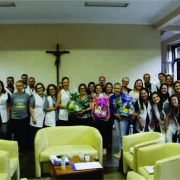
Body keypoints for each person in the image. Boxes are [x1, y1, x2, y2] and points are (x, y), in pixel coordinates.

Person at [7, 80, 30, 151]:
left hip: (24, 118)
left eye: (20, 86)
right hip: (15, 118)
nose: (18, 87)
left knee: (23, 134)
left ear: (23, 86)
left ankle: (23, 148)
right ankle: (16, 148)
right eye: (17, 86)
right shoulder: (13, 96)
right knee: (16, 134)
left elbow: (28, 106)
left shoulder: (27, 96)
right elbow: (10, 106)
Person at [109, 83, 129, 158]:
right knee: (118, 135)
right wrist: (115, 114)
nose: (117, 90)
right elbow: (110, 108)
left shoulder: (124, 96)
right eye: (115, 88)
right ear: (113, 89)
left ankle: (123, 151)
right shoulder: (111, 97)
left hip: (123, 118)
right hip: (115, 117)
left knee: (122, 135)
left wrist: (122, 114)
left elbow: (128, 106)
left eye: (118, 88)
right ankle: (119, 151)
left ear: (120, 89)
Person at [92, 84, 110, 156]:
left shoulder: (106, 97)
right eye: (97, 88)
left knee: (104, 133)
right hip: (96, 118)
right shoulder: (94, 97)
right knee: (97, 133)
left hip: (104, 117)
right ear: (95, 90)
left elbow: (108, 106)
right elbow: (93, 107)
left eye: (100, 88)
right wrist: (92, 115)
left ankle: (104, 148)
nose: (98, 89)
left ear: (102, 89)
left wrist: (108, 115)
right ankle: (97, 147)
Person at [104, 82, 114, 152]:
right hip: (103, 115)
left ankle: (110, 146)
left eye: (110, 87)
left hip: (112, 115)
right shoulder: (103, 95)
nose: (109, 88)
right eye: (107, 87)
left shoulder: (113, 95)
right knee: (105, 130)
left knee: (110, 131)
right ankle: (105, 146)